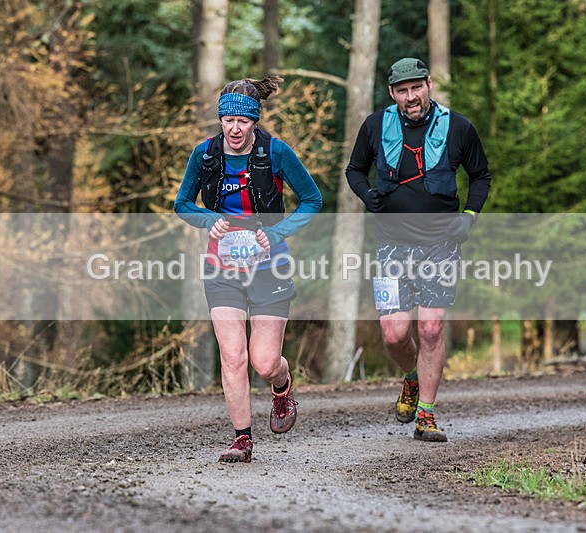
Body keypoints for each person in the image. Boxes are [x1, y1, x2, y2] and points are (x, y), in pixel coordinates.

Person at [174, 75, 322, 463]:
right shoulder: (205, 154)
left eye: (242, 122)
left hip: (269, 266)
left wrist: (276, 233)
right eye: (227, 120)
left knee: (263, 362)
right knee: (234, 356)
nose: (234, 128)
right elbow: (182, 204)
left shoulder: (276, 152)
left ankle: (282, 385)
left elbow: (312, 200)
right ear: (220, 119)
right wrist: (209, 221)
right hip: (221, 266)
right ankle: (242, 439)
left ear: (254, 121)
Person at [346, 58, 491, 442]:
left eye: (417, 88)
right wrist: (367, 196)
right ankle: (412, 378)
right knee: (394, 334)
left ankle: (425, 413)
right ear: (392, 93)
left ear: (428, 85)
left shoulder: (459, 127)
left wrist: (470, 216)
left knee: (430, 328)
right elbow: (354, 170)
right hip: (392, 244)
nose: (411, 97)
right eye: (402, 91)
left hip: (441, 245)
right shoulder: (376, 126)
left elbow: (481, 176)